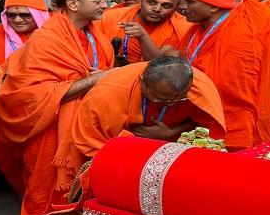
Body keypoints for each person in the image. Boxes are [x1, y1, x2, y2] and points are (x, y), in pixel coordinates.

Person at [0, 0, 113, 215]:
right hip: (50, 127)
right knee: (45, 186)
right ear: (73, 4)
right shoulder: (46, 39)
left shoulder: (94, 34)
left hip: (89, 123)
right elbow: (34, 93)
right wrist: (95, 79)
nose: (106, 4)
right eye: (99, 0)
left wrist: (100, 77)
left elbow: (101, 72)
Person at [169, 0, 270, 149]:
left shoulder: (242, 31)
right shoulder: (197, 27)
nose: (181, 6)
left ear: (213, 7)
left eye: (190, 2)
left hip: (232, 126)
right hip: (200, 119)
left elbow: (232, 89)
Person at [63, 57, 226, 178]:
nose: (170, 105)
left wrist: (171, 133)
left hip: (171, 160)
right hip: (119, 159)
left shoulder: (199, 86)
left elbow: (207, 129)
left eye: (178, 99)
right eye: (161, 99)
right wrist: (133, 156)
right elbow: (91, 143)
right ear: (143, 83)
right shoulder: (108, 94)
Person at [99, 0, 190, 65]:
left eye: (166, 6)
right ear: (141, 1)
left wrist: (143, 37)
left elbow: (161, 67)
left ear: (175, 9)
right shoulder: (111, 17)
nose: (157, 9)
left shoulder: (180, 28)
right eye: (151, 2)